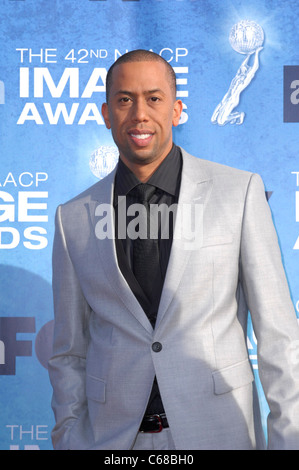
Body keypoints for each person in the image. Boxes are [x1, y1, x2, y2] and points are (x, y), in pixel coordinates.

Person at [48, 49, 299, 450]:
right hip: (111, 439)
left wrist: (289, 441)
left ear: (177, 110)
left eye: (154, 98)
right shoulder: (73, 218)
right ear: (106, 114)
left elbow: (279, 338)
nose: (139, 114)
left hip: (218, 432)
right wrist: (70, 436)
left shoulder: (239, 193)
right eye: (124, 99)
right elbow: (68, 352)